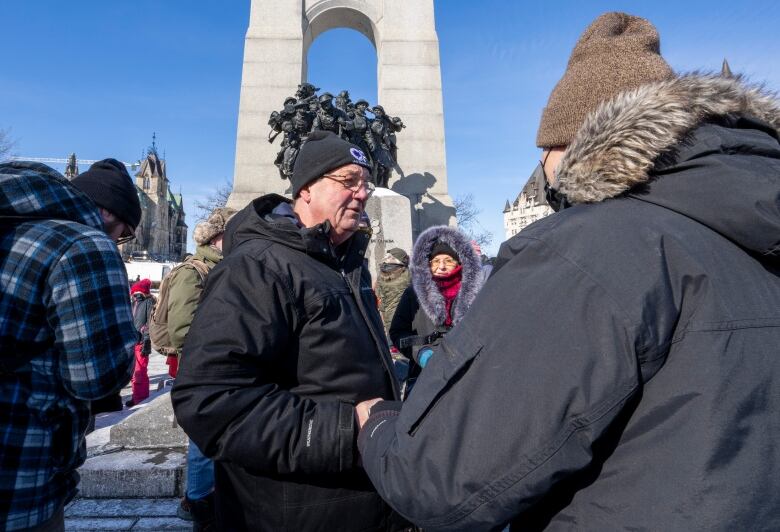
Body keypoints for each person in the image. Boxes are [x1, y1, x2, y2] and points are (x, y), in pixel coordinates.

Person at [356, 12, 780, 531]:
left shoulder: (587, 250)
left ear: (578, 141)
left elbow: (440, 480)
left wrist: (377, 425)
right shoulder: (754, 234)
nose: (544, 165)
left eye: (547, 147)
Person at [171, 131, 407, 531]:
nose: (363, 192)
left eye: (366, 183)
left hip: (356, 500)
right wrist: (351, 428)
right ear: (307, 189)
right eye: (349, 181)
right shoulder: (257, 267)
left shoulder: (344, 264)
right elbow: (211, 402)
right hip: (291, 510)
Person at [0, 159, 140, 531]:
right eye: (123, 233)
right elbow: (95, 378)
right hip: (19, 464)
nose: (118, 242)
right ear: (108, 211)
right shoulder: (82, 244)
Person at [167, 207, 235, 530]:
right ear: (218, 237)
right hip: (200, 372)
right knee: (200, 441)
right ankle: (196, 504)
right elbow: (181, 328)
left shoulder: (224, 268)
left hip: (221, 372)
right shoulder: (192, 272)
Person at [389, 227, 483, 383]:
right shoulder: (413, 293)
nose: (441, 266)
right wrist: (421, 353)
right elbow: (397, 332)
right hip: (423, 373)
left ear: (458, 263)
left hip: (467, 372)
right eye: (436, 261)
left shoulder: (475, 292)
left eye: (448, 261)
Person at [127, 278, 154, 408]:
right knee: (133, 373)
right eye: (134, 293)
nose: (135, 295)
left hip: (142, 342)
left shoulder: (148, 302)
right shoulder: (134, 303)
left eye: (138, 292)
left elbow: (150, 323)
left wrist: (147, 340)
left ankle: (140, 400)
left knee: (140, 373)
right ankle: (135, 396)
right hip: (132, 342)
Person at [375, 247, 411, 336]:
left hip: (387, 316)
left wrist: (383, 311)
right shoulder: (408, 274)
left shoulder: (381, 275)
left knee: (393, 337)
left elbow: (379, 296)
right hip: (406, 315)